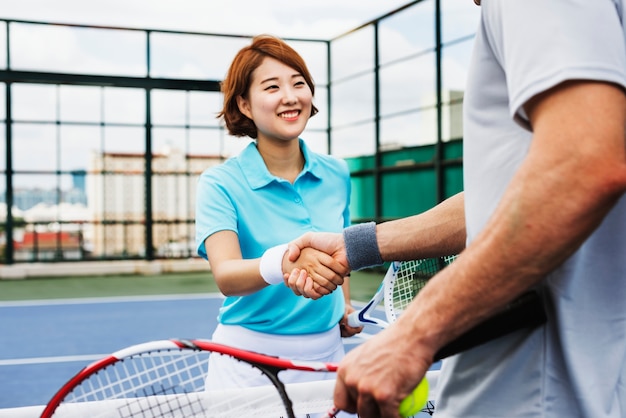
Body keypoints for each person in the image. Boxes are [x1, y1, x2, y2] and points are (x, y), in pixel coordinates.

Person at [285, 1, 626, 417]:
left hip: (537, 394)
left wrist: (414, 334)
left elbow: (583, 164)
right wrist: (357, 245)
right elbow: (512, 196)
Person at [194, 34, 361, 393]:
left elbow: (341, 248)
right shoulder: (219, 182)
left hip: (327, 356)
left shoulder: (337, 173)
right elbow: (226, 275)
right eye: (272, 87)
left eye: (298, 83)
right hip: (247, 364)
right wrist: (282, 264)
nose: (290, 96)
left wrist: (344, 306)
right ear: (245, 105)